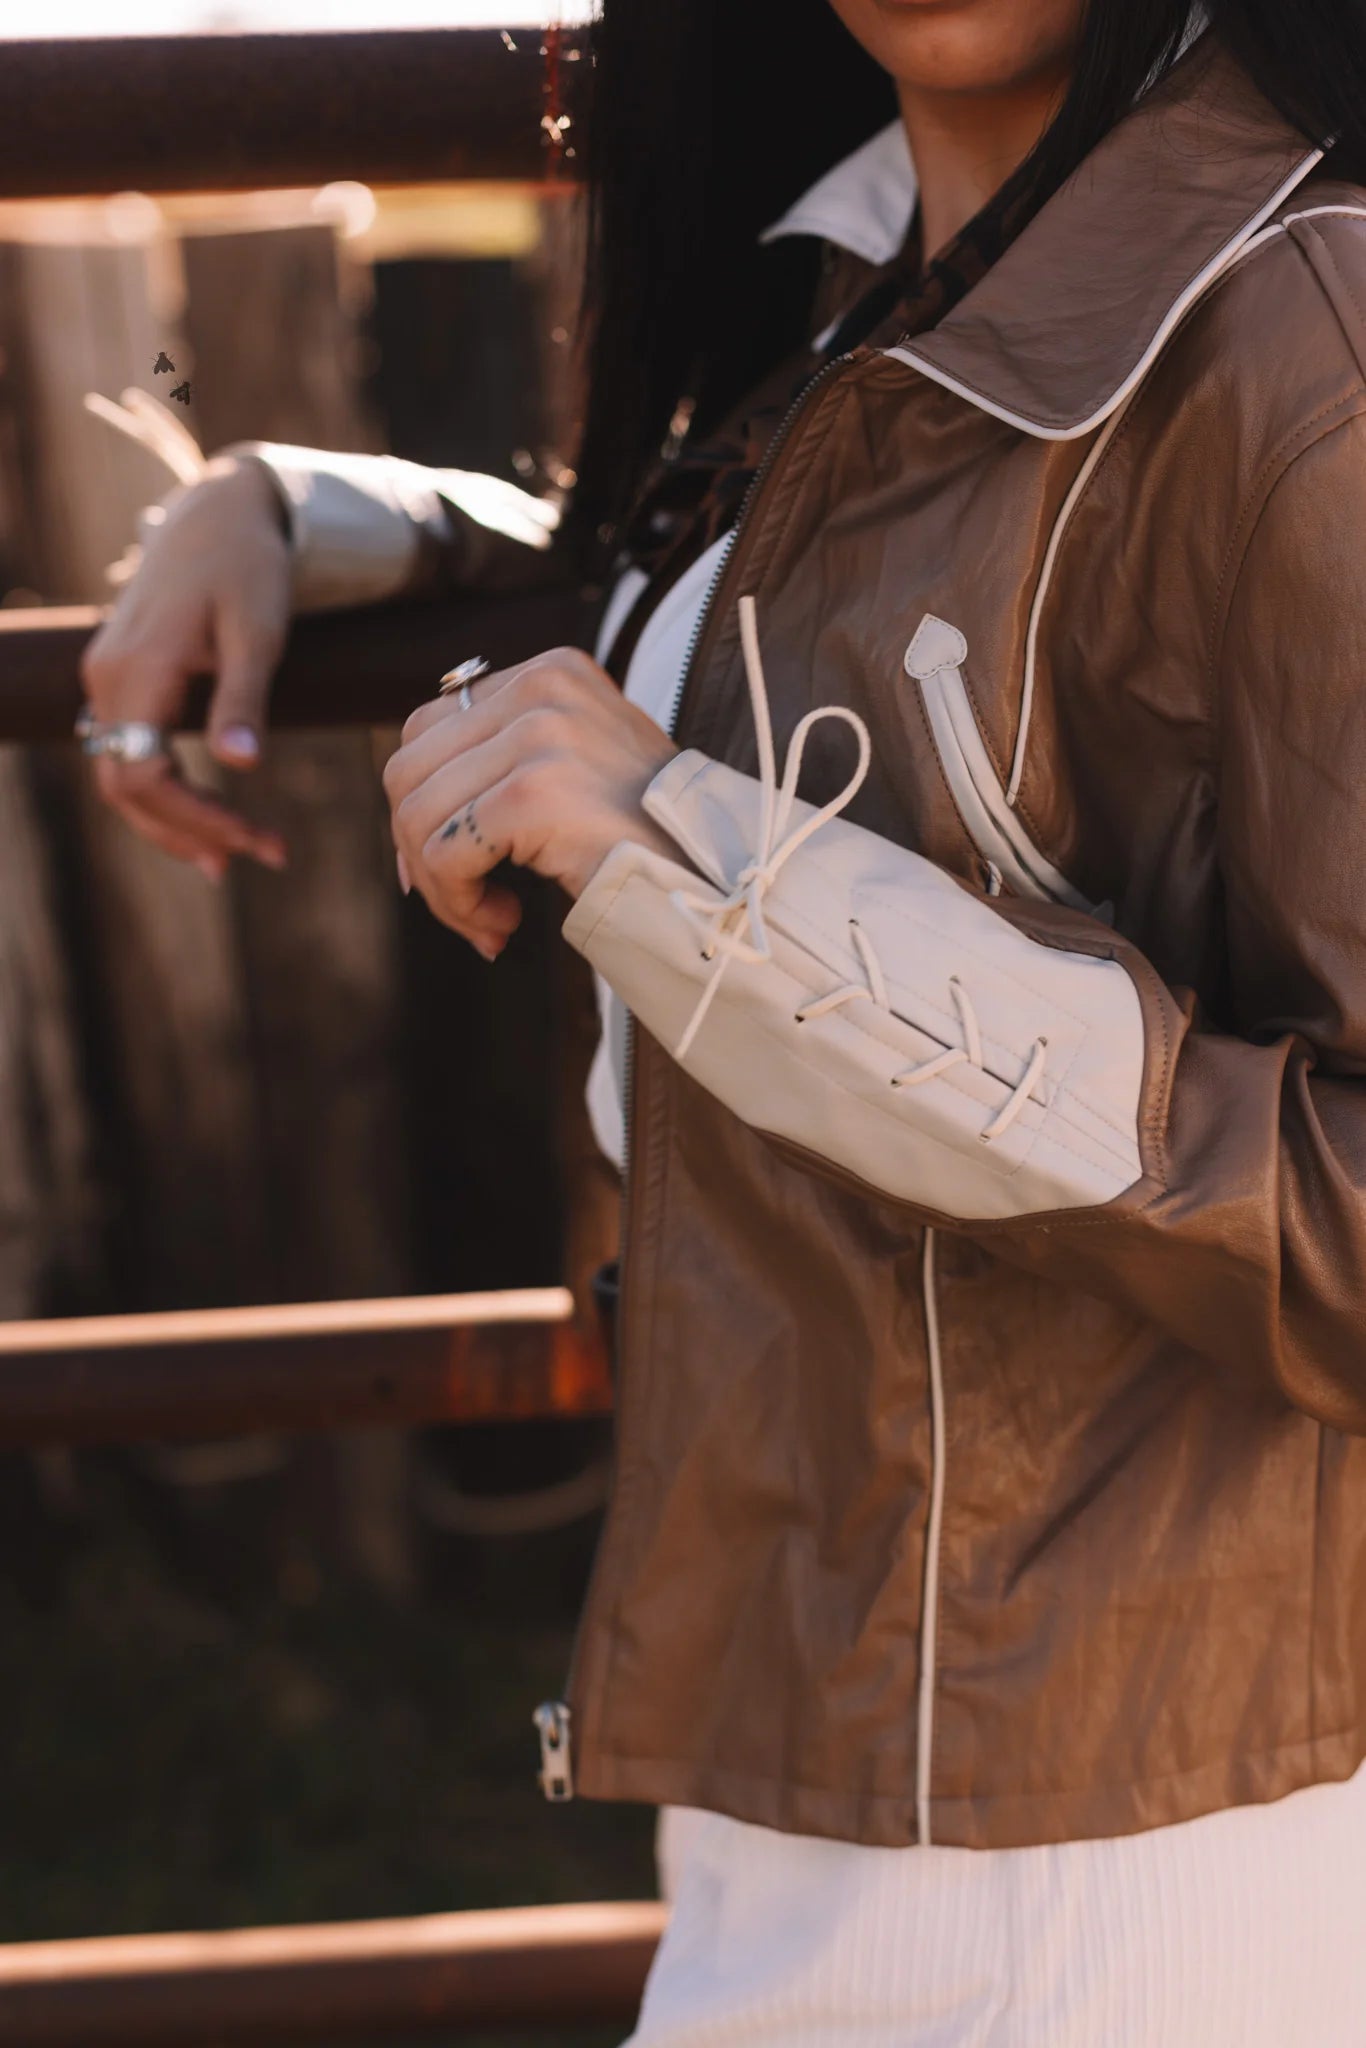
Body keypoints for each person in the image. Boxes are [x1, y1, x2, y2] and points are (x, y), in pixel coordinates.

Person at [79, 2, 1366, 2039]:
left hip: (1122, 1842)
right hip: (832, 1751)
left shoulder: (1302, 311)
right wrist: (316, 516)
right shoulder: (879, 267)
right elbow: (781, 612)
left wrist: (696, 875)